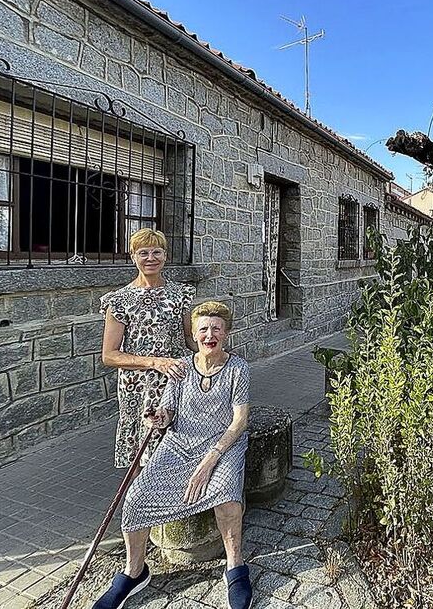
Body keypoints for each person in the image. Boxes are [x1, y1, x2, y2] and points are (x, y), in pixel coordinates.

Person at [93, 301, 253, 609]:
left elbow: (240, 421)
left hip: (224, 444)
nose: (210, 335)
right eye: (203, 329)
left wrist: (211, 460)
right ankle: (134, 572)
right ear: (194, 334)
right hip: (180, 444)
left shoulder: (238, 369)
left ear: (227, 334)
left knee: (226, 495)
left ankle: (235, 565)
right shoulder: (181, 367)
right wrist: (159, 417)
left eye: (217, 328)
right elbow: (168, 412)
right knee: (137, 495)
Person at [101, 228, 196, 469]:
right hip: (137, 386)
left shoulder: (180, 294)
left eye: (157, 252)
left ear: (165, 256)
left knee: (177, 439)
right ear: (133, 256)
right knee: (139, 448)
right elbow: (110, 355)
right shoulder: (119, 300)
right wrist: (154, 362)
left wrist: (215, 352)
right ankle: (141, 501)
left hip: (176, 380)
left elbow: (188, 338)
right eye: (143, 252)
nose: (150, 258)